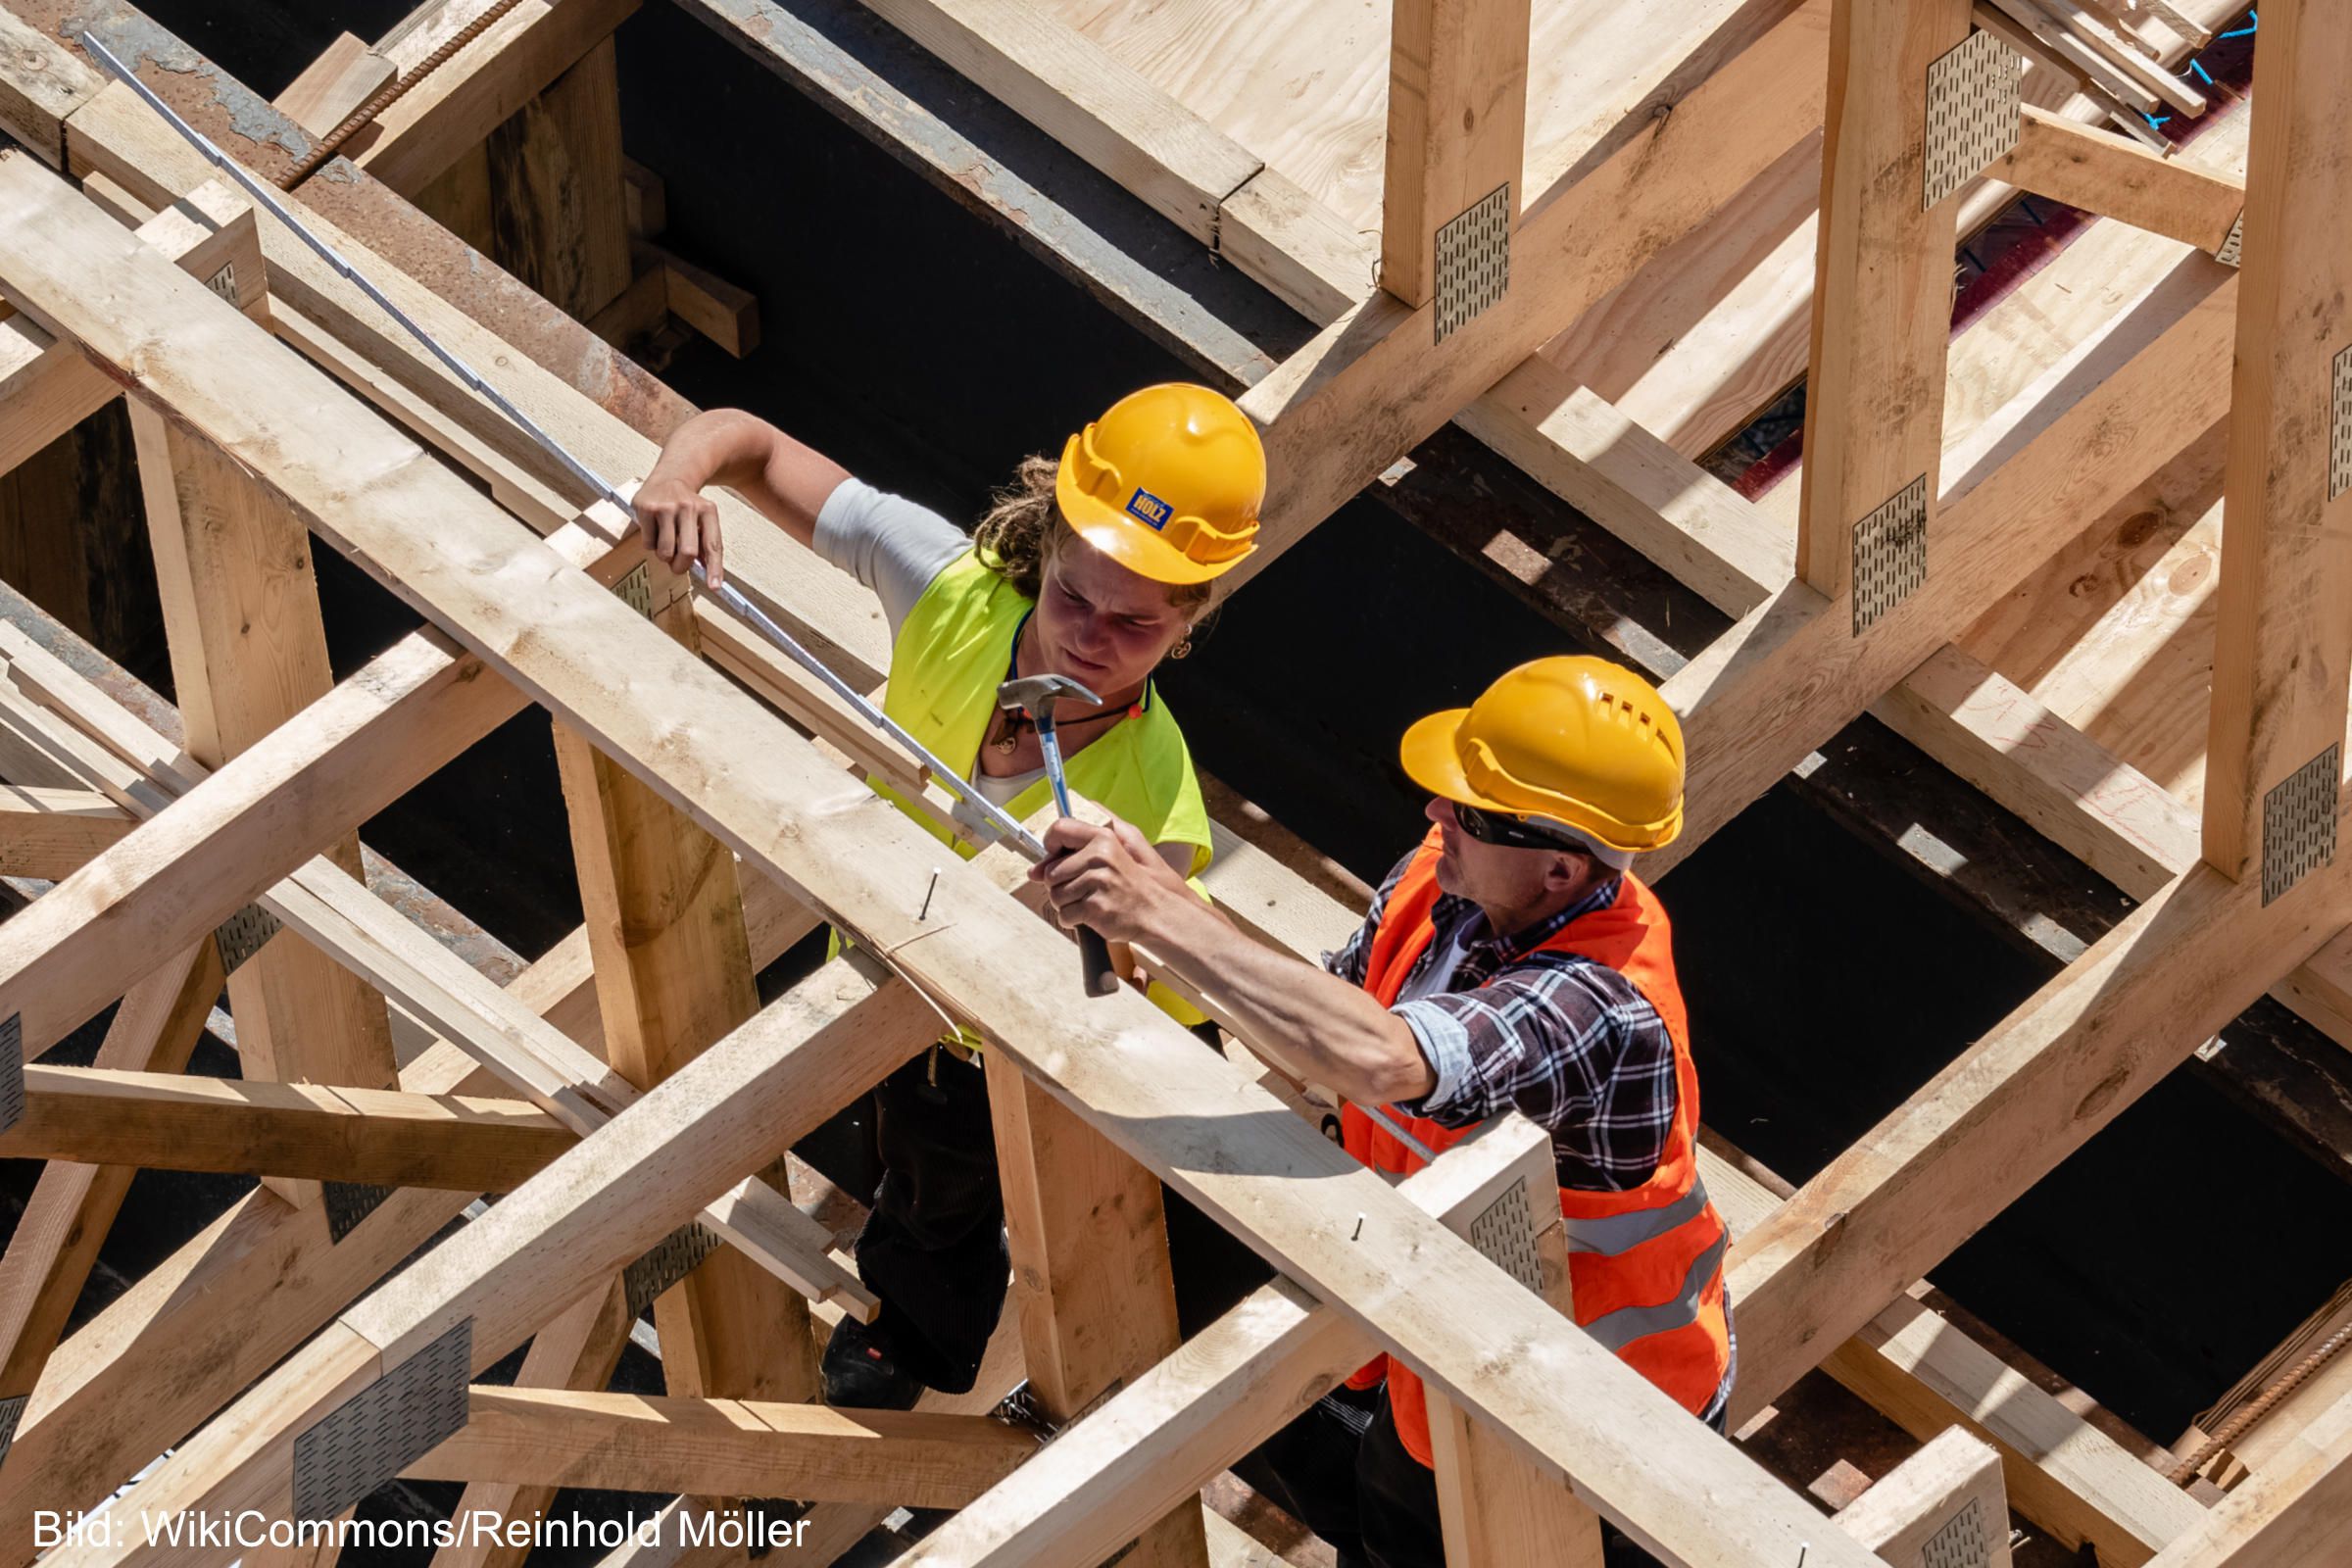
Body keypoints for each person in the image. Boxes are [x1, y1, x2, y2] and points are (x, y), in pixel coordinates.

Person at [630, 383, 1264, 1409]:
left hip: (1098, 1019)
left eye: (1135, 626)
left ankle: (1126, 1390)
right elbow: (745, 440)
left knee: (1148, 1229)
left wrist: (1077, 917)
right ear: (1047, 550)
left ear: (1191, 620)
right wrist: (674, 477)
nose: (1090, 640)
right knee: (929, 1175)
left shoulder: (1158, 808)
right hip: (921, 985)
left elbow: (1110, 991)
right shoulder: (946, 586)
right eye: (1072, 596)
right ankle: (920, 1339)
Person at [1031, 656, 1735, 1568]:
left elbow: (1383, 1059)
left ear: (1562, 868)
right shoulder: (1446, 881)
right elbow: (1322, 1031)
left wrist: (1156, 918)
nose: (1436, 814)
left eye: (1470, 810)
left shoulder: (1600, 1006)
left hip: (1599, 1434)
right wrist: (1153, 892)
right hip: (1436, 1352)